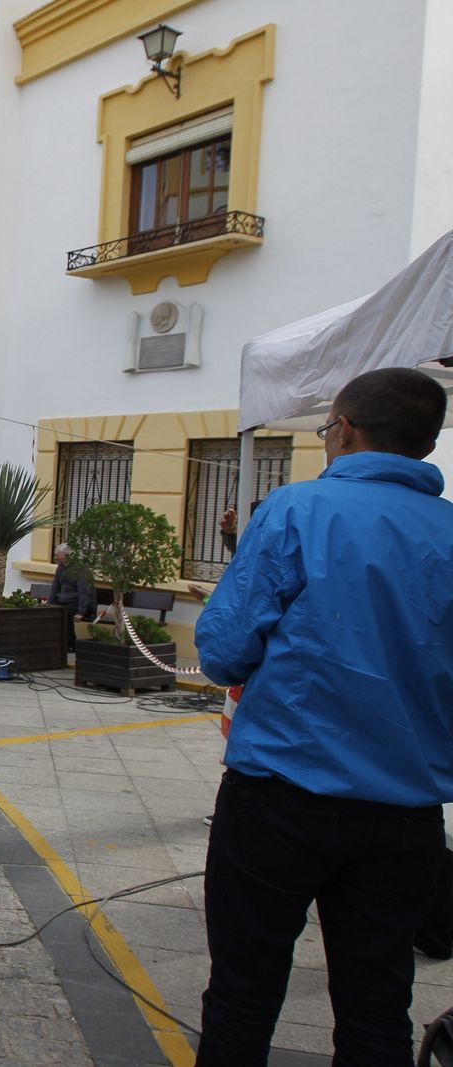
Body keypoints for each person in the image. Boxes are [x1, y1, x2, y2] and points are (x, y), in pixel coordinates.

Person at [193, 367, 453, 1065]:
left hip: (281, 792)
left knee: (244, 992)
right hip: (405, 812)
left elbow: (222, 650)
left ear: (345, 430)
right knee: (377, 1002)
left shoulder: (295, 510)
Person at [49, 542, 95, 653]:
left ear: (67, 556)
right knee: (50, 612)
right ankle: (54, 643)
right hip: (64, 601)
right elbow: (55, 587)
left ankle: (70, 644)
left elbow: (84, 592)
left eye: (57, 555)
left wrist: (81, 612)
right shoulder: (60, 568)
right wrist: (49, 604)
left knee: (65, 613)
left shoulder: (81, 569)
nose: (55, 558)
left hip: (81, 604)